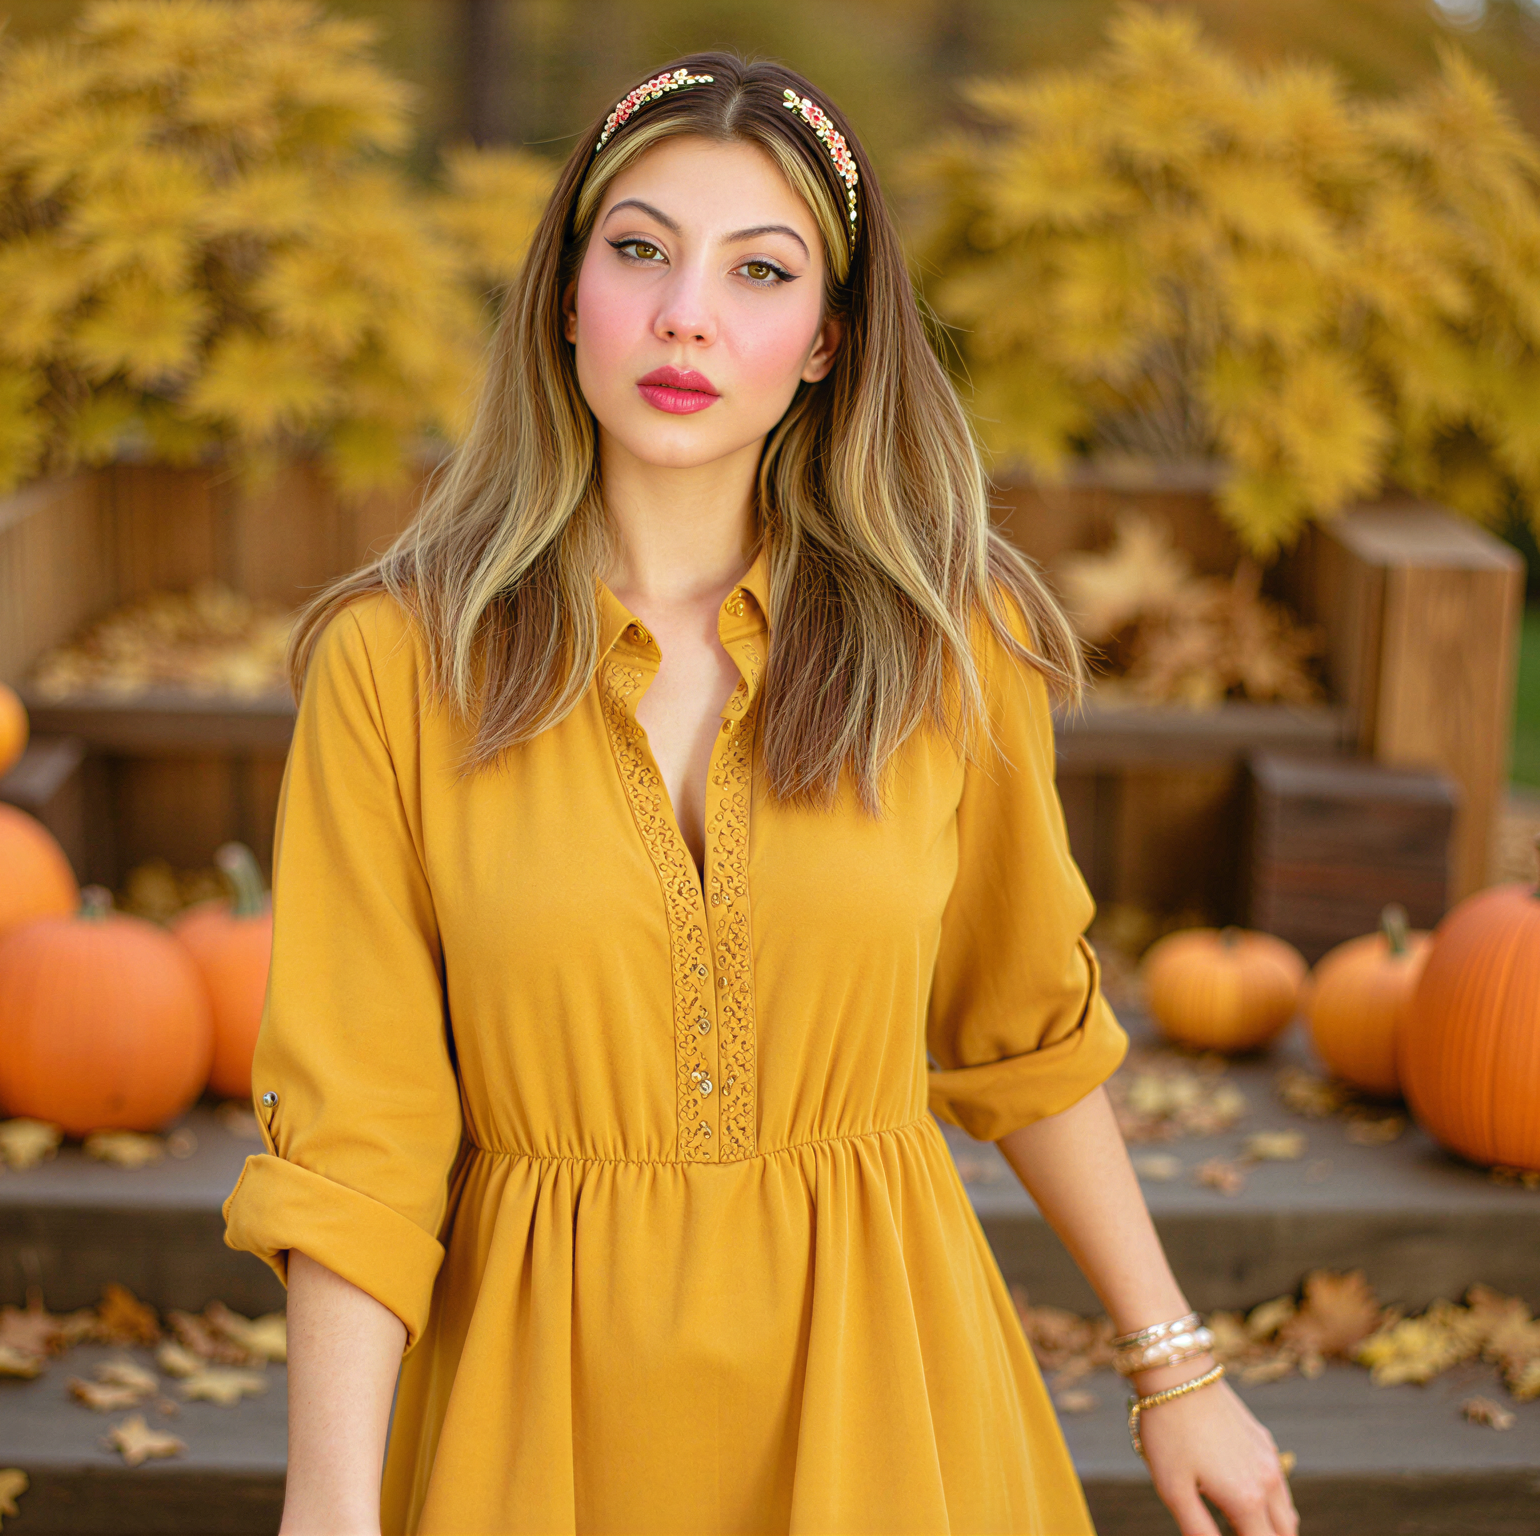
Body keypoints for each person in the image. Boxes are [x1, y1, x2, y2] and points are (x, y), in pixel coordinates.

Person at [222, 51, 1299, 1536]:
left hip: (890, 1400)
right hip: (530, 1421)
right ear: (566, 296)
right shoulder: (395, 665)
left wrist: (1175, 1368)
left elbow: (1023, 1027)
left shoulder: (949, 646)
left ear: (825, 344)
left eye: (760, 271)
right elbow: (358, 1133)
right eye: (642, 251)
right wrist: (329, 1508)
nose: (685, 315)